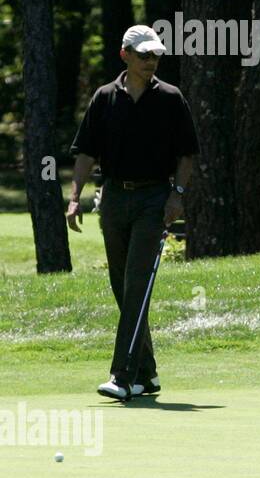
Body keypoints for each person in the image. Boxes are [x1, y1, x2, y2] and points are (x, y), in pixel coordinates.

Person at [66, 25, 200, 401]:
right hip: (113, 201)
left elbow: (186, 154)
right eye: (144, 55)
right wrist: (74, 197)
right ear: (125, 55)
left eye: (155, 55)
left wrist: (177, 195)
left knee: (137, 284)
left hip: (154, 200)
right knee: (122, 288)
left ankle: (122, 376)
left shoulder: (171, 98)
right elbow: (86, 153)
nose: (151, 61)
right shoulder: (104, 97)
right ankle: (148, 372)